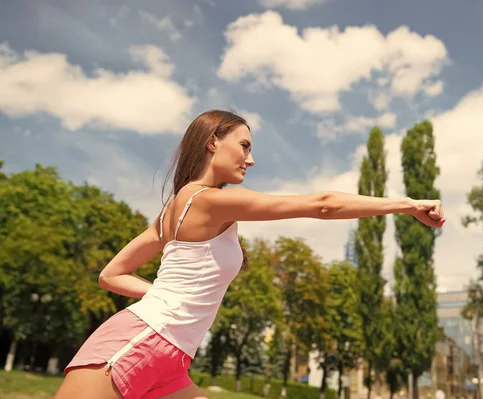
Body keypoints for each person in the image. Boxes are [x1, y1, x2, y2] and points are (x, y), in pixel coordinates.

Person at [54, 110, 445, 399]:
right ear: (213, 142)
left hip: (173, 361)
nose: (251, 159)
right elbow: (323, 204)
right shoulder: (206, 201)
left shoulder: (177, 209)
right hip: (141, 342)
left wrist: (161, 295)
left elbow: (111, 274)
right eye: (244, 146)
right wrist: (406, 204)